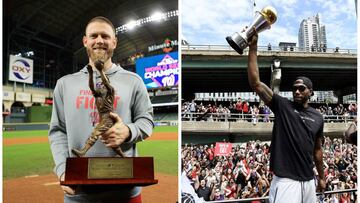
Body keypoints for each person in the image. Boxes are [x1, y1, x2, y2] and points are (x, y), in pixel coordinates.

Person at [48, 16, 154, 202]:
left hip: (126, 192)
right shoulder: (65, 84)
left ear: (114, 42)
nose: (99, 40)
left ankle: (120, 156)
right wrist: (63, 170)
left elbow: (147, 121)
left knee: (97, 135)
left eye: (105, 36)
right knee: (93, 137)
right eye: (94, 35)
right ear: (85, 41)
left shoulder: (133, 81)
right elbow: (58, 131)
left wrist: (129, 131)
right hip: (79, 193)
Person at [246, 30, 325, 202]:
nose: (296, 91)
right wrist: (253, 48)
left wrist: (322, 177)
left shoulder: (318, 117)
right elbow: (256, 83)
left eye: (301, 88)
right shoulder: (282, 106)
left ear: (310, 92)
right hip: (286, 181)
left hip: (309, 181)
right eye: (294, 88)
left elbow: (317, 150)